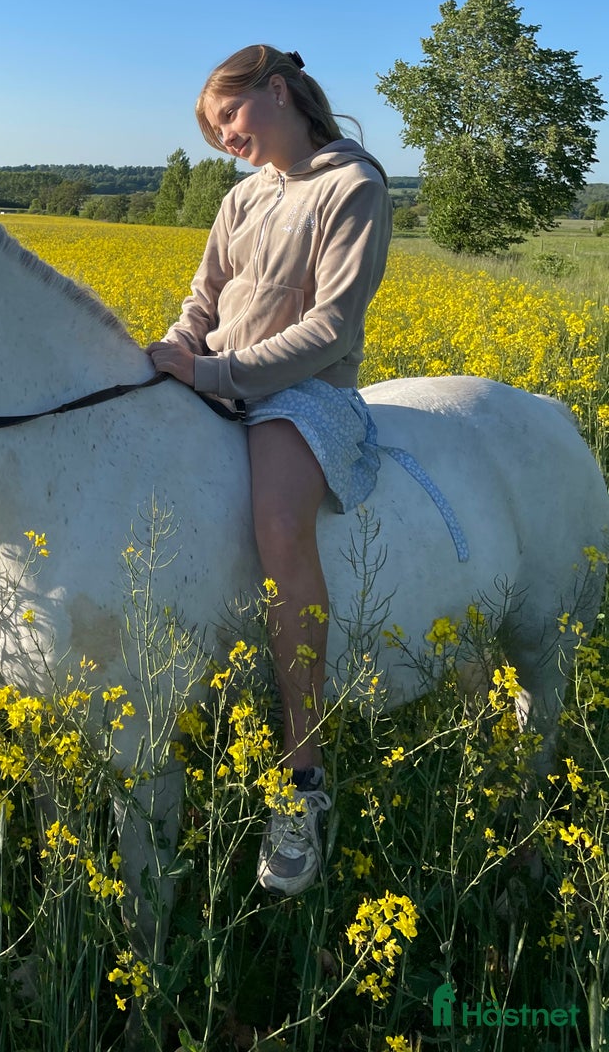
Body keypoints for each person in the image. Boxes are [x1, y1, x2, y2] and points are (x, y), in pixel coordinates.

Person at [147, 44, 392, 896]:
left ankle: (303, 777)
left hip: (301, 395)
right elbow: (203, 298)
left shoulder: (352, 187)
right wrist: (178, 350)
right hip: (218, 380)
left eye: (230, 118)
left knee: (280, 525)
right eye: (214, 131)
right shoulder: (241, 197)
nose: (224, 140)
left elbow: (331, 329)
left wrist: (214, 375)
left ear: (276, 92)